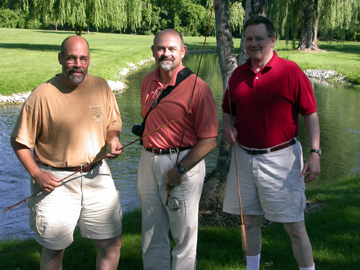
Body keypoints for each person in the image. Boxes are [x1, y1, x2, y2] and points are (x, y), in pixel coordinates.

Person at [10, 36, 123, 270]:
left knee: (111, 243)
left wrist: (113, 140)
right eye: (71, 58)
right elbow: (19, 141)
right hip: (54, 180)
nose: (77, 64)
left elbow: (112, 125)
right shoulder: (42, 95)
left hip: (97, 175)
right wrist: (36, 174)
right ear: (61, 58)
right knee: (54, 249)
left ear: (89, 59)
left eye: (82, 58)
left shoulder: (101, 86)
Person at [222, 16, 321, 270]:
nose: (253, 44)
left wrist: (315, 152)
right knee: (250, 221)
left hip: (282, 158)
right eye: (249, 39)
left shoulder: (290, 71)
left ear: (272, 41)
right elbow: (227, 109)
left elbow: (310, 113)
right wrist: (227, 126)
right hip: (243, 157)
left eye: (259, 39)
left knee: (294, 226)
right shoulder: (237, 75)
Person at [137, 29, 219, 270]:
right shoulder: (146, 81)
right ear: (153, 51)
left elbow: (210, 139)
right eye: (161, 48)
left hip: (182, 163)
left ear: (183, 52)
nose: (166, 53)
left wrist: (181, 168)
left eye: (172, 49)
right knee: (151, 231)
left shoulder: (199, 88)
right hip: (147, 160)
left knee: (183, 234)